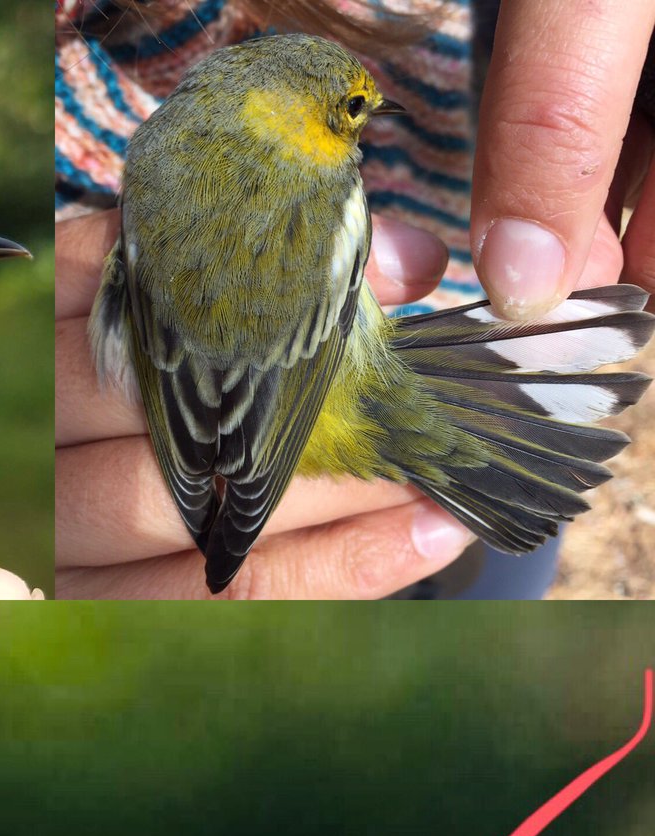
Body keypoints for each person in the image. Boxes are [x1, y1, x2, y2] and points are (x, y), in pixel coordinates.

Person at [55, 0, 655, 599]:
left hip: (221, 429)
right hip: (300, 416)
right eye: (354, 109)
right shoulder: (323, 188)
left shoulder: (159, 155)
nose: (368, 118)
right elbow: (302, 361)